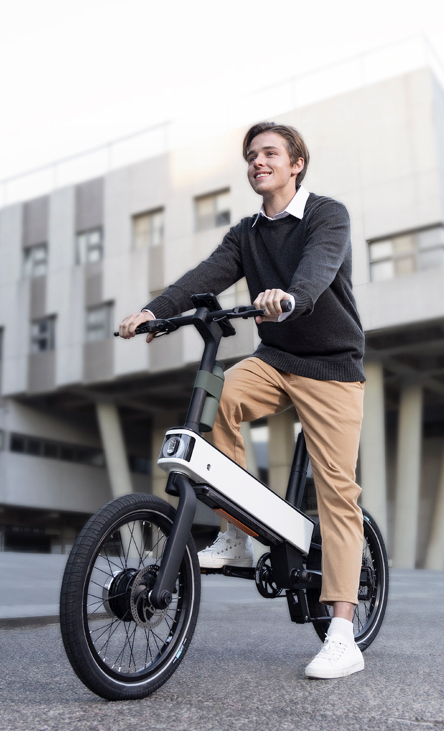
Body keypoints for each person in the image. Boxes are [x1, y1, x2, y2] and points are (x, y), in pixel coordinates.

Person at [118, 122, 367, 679]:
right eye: (251, 155)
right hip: (276, 359)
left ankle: (344, 634)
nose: (258, 161)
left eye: (270, 153)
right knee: (221, 395)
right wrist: (155, 312)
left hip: (332, 369)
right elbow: (205, 275)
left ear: (296, 163)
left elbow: (317, 270)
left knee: (337, 493)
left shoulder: (328, 215)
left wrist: (291, 297)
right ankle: (235, 532)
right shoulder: (247, 233)